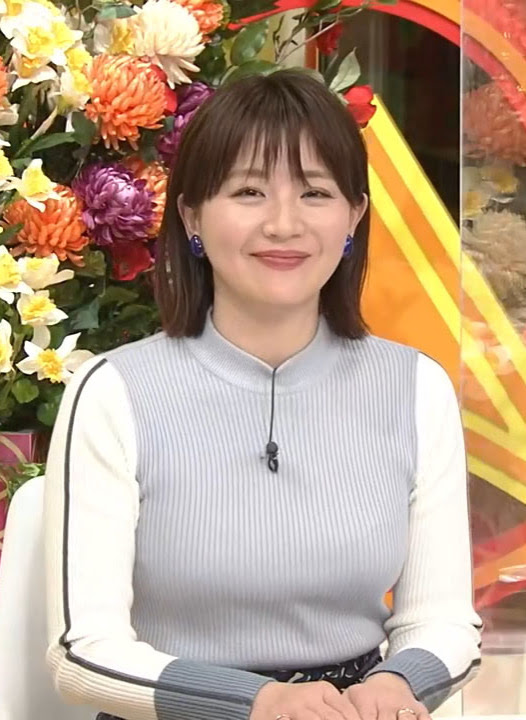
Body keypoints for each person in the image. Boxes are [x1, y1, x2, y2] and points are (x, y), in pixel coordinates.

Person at [45, 69, 482, 720]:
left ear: (354, 216)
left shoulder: (416, 388)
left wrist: (396, 685)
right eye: (249, 192)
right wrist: (259, 703)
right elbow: (82, 651)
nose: (283, 223)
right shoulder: (113, 393)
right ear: (191, 215)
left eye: (315, 193)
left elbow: (443, 621)